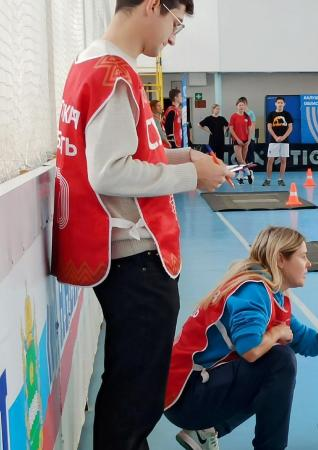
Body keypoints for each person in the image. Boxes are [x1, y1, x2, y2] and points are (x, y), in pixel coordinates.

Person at [51, 1, 230, 448]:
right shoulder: (114, 75)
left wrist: (186, 157)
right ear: (153, 5)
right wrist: (191, 176)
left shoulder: (91, 63)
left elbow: (133, 153)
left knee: (130, 390)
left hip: (129, 261)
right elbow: (109, 171)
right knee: (135, 400)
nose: (172, 37)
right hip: (137, 262)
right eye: (176, 23)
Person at [163, 226, 318, 450]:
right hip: (188, 396)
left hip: (193, 392)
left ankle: (206, 431)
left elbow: (312, 343)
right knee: (279, 360)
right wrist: (276, 333)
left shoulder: (271, 295)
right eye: (303, 256)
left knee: (274, 364)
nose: (309, 263)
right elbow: (250, 350)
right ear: (280, 260)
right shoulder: (254, 291)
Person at [264, 97, 294, 187]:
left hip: (285, 141)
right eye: (278, 102)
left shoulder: (287, 114)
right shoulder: (271, 114)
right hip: (273, 141)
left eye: (281, 102)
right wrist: (275, 137)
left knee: (283, 160)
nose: (280, 104)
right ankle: (268, 179)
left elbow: (290, 128)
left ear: (284, 104)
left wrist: (283, 137)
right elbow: (269, 127)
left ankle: (281, 179)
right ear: (275, 104)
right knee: (270, 160)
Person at [229, 97, 253, 184]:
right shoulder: (233, 116)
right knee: (240, 160)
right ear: (237, 106)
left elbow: (250, 129)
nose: (241, 107)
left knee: (243, 160)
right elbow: (231, 129)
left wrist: (249, 140)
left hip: (246, 140)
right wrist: (237, 139)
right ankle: (249, 173)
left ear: (245, 106)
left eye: (243, 105)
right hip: (237, 141)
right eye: (240, 105)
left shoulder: (247, 117)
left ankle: (240, 177)